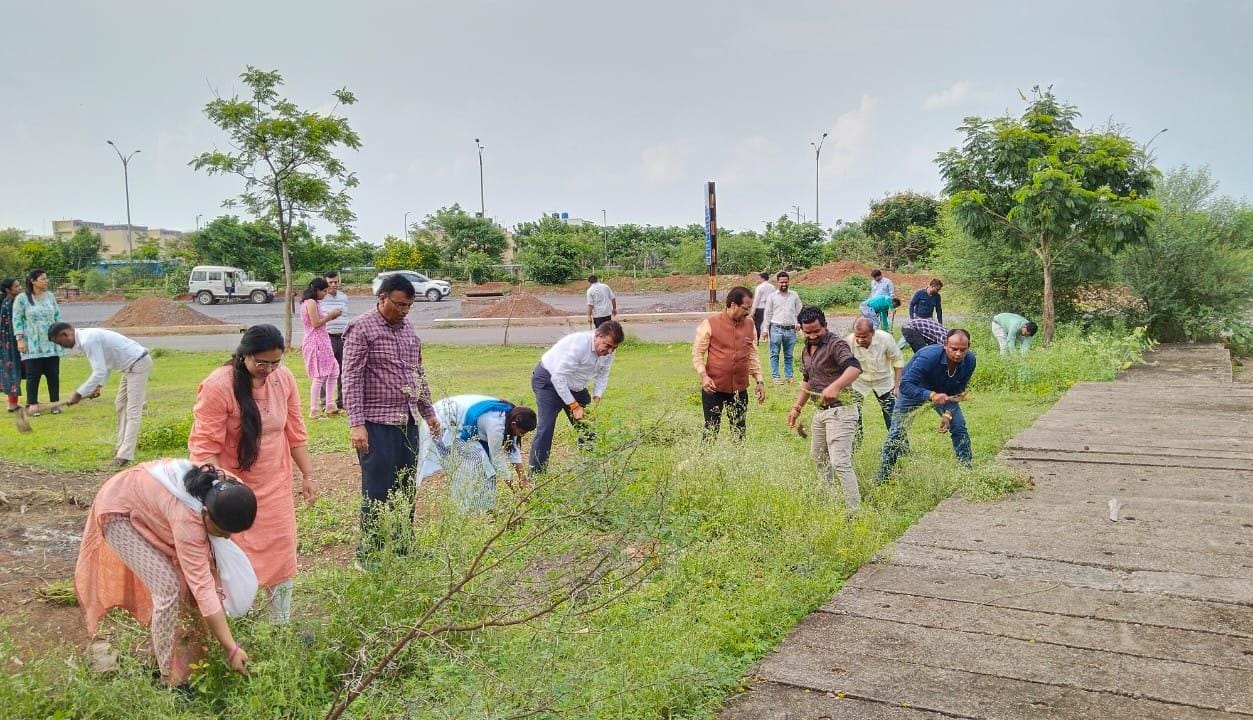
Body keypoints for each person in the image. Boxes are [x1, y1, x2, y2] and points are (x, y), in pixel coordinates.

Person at [75, 460, 256, 688]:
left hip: (149, 498)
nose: (227, 538)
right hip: (118, 509)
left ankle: (156, 661)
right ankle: (168, 678)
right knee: (169, 587)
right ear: (206, 513)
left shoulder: (231, 489)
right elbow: (203, 587)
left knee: (185, 584)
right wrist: (232, 649)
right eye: (222, 532)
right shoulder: (187, 520)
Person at [188, 324, 317, 623]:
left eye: (275, 362)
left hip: (275, 485)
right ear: (244, 355)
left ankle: (278, 623)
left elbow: (295, 432)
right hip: (233, 491)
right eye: (261, 362)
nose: (269, 369)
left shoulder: (282, 379)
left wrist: (308, 475)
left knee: (282, 553)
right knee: (232, 557)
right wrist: (222, 490)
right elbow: (204, 447)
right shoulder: (219, 386)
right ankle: (233, 621)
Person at [342, 274, 441, 566]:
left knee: (405, 487)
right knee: (376, 490)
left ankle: (402, 545)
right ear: (381, 298)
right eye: (399, 304)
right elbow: (351, 378)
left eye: (409, 306)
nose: (404, 311)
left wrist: (429, 412)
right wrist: (356, 424)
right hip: (375, 424)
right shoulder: (361, 328)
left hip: (407, 422)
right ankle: (367, 553)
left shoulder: (408, 328)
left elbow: (417, 373)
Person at [875, 329, 976, 483]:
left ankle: (967, 472)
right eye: (954, 349)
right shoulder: (928, 357)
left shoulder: (970, 361)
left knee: (959, 426)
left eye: (963, 350)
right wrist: (931, 395)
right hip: (915, 390)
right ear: (945, 345)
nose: (958, 354)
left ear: (968, 347)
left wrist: (947, 413)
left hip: (944, 394)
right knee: (897, 432)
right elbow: (906, 385)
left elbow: (957, 390)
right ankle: (883, 477)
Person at [787, 306, 863, 510]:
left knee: (840, 462)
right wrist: (797, 408)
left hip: (842, 411)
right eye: (807, 332)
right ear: (801, 329)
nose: (812, 335)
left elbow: (854, 368)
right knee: (818, 457)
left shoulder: (836, 344)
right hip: (821, 413)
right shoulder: (806, 349)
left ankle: (853, 510)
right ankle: (828, 501)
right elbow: (807, 381)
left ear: (825, 326)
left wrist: (836, 386)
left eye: (816, 331)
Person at [47, 322, 153, 468]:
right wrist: (99, 385)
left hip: (138, 364)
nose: (61, 346)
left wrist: (79, 393)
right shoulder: (85, 339)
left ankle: (124, 455)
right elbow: (106, 363)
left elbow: (99, 371)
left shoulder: (88, 340)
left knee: (133, 411)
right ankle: (120, 448)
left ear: (65, 334)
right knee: (120, 405)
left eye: (59, 342)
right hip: (128, 366)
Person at [529, 320, 623, 474]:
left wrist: (596, 398)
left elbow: (603, 375)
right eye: (607, 346)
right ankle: (536, 475)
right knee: (546, 427)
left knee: (589, 427)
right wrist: (574, 406)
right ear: (597, 335)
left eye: (614, 348)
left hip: (575, 385)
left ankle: (589, 470)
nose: (610, 351)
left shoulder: (609, 352)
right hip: (549, 380)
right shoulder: (580, 345)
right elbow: (558, 378)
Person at [418, 395, 537, 510]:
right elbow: (497, 459)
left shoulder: (512, 416)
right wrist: (514, 489)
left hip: (466, 422)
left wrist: (523, 478)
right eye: (521, 432)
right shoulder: (496, 426)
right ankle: (465, 509)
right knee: (477, 465)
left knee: (486, 468)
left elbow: (513, 447)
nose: (522, 435)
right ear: (514, 424)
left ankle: (484, 507)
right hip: (444, 422)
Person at [691, 286, 766, 440]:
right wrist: (704, 376)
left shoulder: (750, 325)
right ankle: (704, 461)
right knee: (711, 428)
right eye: (746, 308)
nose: (748, 312)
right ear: (733, 305)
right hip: (713, 388)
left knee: (739, 430)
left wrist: (759, 380)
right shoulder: (710, 323)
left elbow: (752, 355)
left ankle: (738, 461)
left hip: (739, 389)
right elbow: (698, 353)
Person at [12, 269, 64, 416]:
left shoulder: (50, 297)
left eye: (46, 278)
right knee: (33, 374)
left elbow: (57, 316)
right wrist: (20, 339)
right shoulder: (22, 299)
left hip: (51, 342)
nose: (46, 281)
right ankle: (33, 404)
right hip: (32, 343)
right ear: (33, 281)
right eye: (43, 279)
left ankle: (55, 403)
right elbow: (17, 320)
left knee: (53, 374)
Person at [846, 317, 903, 449]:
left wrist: (897, 385)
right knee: (854, 416)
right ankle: (854, 446)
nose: (860, 340)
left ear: (872, 333)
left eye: (864, 337)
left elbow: (898, 361)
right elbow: (844, 364)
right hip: (858, 382)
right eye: (857, 336)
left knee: (892, 416)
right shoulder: (849, 341)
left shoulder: (886, 339)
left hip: (883, 382)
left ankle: (900, 447)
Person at [299, 277, 342, 418]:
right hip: (315, 342)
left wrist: (330, 317)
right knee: (319, 376)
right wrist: (330, 316)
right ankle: (314, 409)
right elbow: (316, 323)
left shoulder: (314, 302)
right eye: (323, 291)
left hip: (323, 341)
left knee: (334, 370)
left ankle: (330, 404)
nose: (325, 294)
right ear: (316, 290)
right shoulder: (311, 302)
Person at [761, 271, 802, 384]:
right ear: (777, 282)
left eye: (786, 282)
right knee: (774, 354)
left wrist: (798, 323)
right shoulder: (772, 297)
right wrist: (765, 329)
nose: (784, 284)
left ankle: (789, 376)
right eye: (781, 282)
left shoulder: (794, 295)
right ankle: (776, 377)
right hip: (776, 329)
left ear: (789, 282)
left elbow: (799, 311)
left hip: (790, 329)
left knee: (789, 355)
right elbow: (768, 314)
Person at [319, 270, 350, 409]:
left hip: (343, 337)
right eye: (330, 282)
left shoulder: (343, 297)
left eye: (336, 282)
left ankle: (342, 401)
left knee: (343, 370)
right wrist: (331, 316)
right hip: (327, 337)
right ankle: (325, 402)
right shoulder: (320, 298)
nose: (334, 285)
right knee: (326, 370)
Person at [1, 278, 22, 413]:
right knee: (13, 370)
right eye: (16, 286)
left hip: (9, 341)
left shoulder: (6, 302)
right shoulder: (11, 303)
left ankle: (13, 403)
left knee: (13, 371)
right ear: (8, 290)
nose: (19, 288)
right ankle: (12, 404)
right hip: (12, 342)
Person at [750, 271, 775, 343]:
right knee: (770, 324)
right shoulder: (772, 287)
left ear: (762, 278)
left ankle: (757, 340)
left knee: (757, 325)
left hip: (760, 307)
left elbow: (756, 299)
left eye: (759, 278)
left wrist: (753, 311)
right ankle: (771, 340)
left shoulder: (759, 287)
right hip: (770, 307)